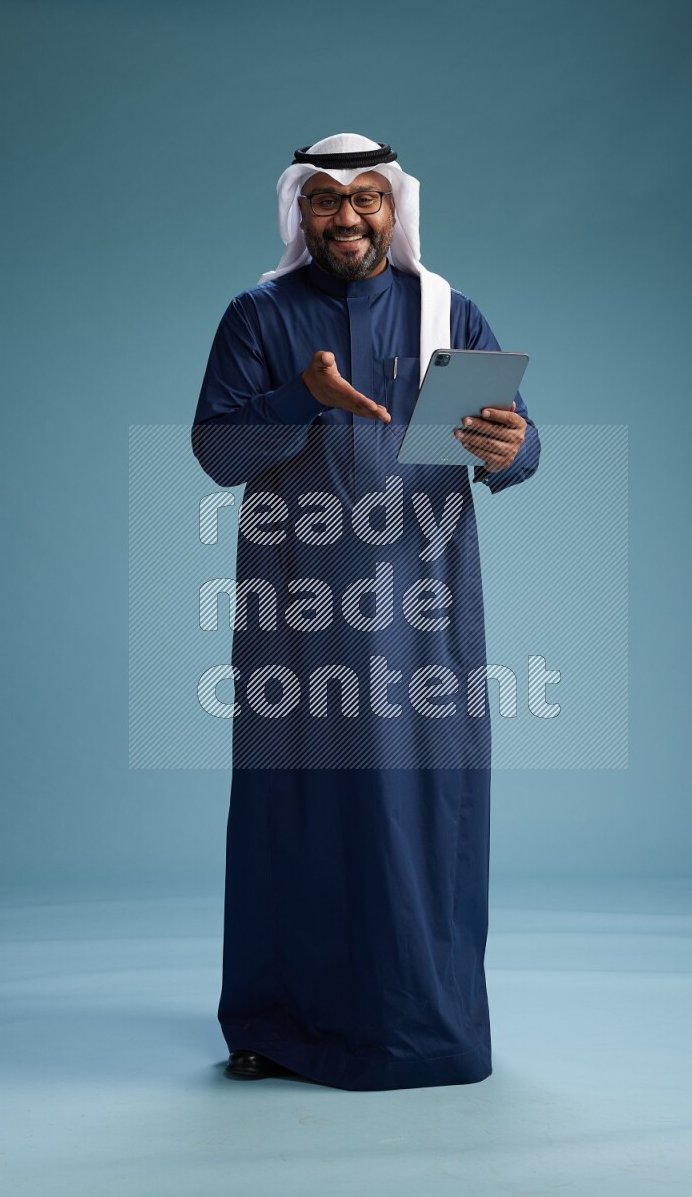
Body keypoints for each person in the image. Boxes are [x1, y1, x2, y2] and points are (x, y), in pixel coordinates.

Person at [191, 133, 540, 1091]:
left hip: (424, 609)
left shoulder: (446, 311)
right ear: (299, 213)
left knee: (422, 811)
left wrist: (514, 446)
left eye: (367, 199)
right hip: (296, 606)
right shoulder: (257, 314)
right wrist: (298, 400)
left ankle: (428, 1026)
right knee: (291, 811)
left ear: (396, 207)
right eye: (326, 202)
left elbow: (518, 441)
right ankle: (274, 1021)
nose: (347, 217)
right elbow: (217, 452)